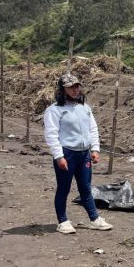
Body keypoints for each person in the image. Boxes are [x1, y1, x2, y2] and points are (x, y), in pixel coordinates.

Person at [43, 74, 113, 233]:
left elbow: (92, 129)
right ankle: (63, 221)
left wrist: (95, 149)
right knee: (64, 188)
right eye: (70, 87)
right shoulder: (54, 110)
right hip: (67, 153)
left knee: (86, 188)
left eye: (77, 86)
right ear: (62, 89)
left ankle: (95, 219)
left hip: (84, 154)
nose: (75, 90)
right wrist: (59, 156)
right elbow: (51, 134)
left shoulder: (84, 107)